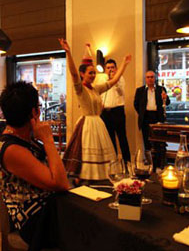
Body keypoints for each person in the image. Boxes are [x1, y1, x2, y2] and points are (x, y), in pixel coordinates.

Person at [0, 81, 69, 250]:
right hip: (34, 221)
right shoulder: (11, 148)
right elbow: (61, 183)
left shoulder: (24, 138)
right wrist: (47, 139)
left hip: (47, 208)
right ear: (34, 112)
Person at [58, 38, 131, 181]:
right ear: (82, 74)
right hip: (87, 125)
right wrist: (68, 53)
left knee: (105, 154)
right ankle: (85, 177)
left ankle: (102, 177)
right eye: (90, 73)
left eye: (94, 73)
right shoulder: (80, 89)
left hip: (99, 123)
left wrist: (124, 64)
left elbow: (114, 81)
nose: (93, 76)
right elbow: (73, 73)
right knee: (85, 154)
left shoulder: (96, 88)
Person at [134, 70, 170, 170]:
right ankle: (150, 164)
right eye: (148, 77)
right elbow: (136, 104)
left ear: (155, 78)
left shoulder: (161, 89)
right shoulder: (140, 90)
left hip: (157, 117)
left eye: (152, 77)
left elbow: (166, 103)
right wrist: (142, 113)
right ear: (145, 79)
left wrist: (165, 98)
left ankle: (159, 164)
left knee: (159, 142)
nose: (150, 79)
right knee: (147, 142)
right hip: (145, 118)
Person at [100, 59, 131, 163]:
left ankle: (127, 162)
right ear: (105, 69)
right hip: (105, 113)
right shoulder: (102, 80)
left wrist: (115, 81)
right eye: (108, 68)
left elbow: (121, 92)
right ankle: (113, 161)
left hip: (117, 112)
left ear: (116, 69)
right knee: (110, 138)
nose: (110, 70)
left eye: (112, 68)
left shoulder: (120, 78)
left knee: (122, 138)